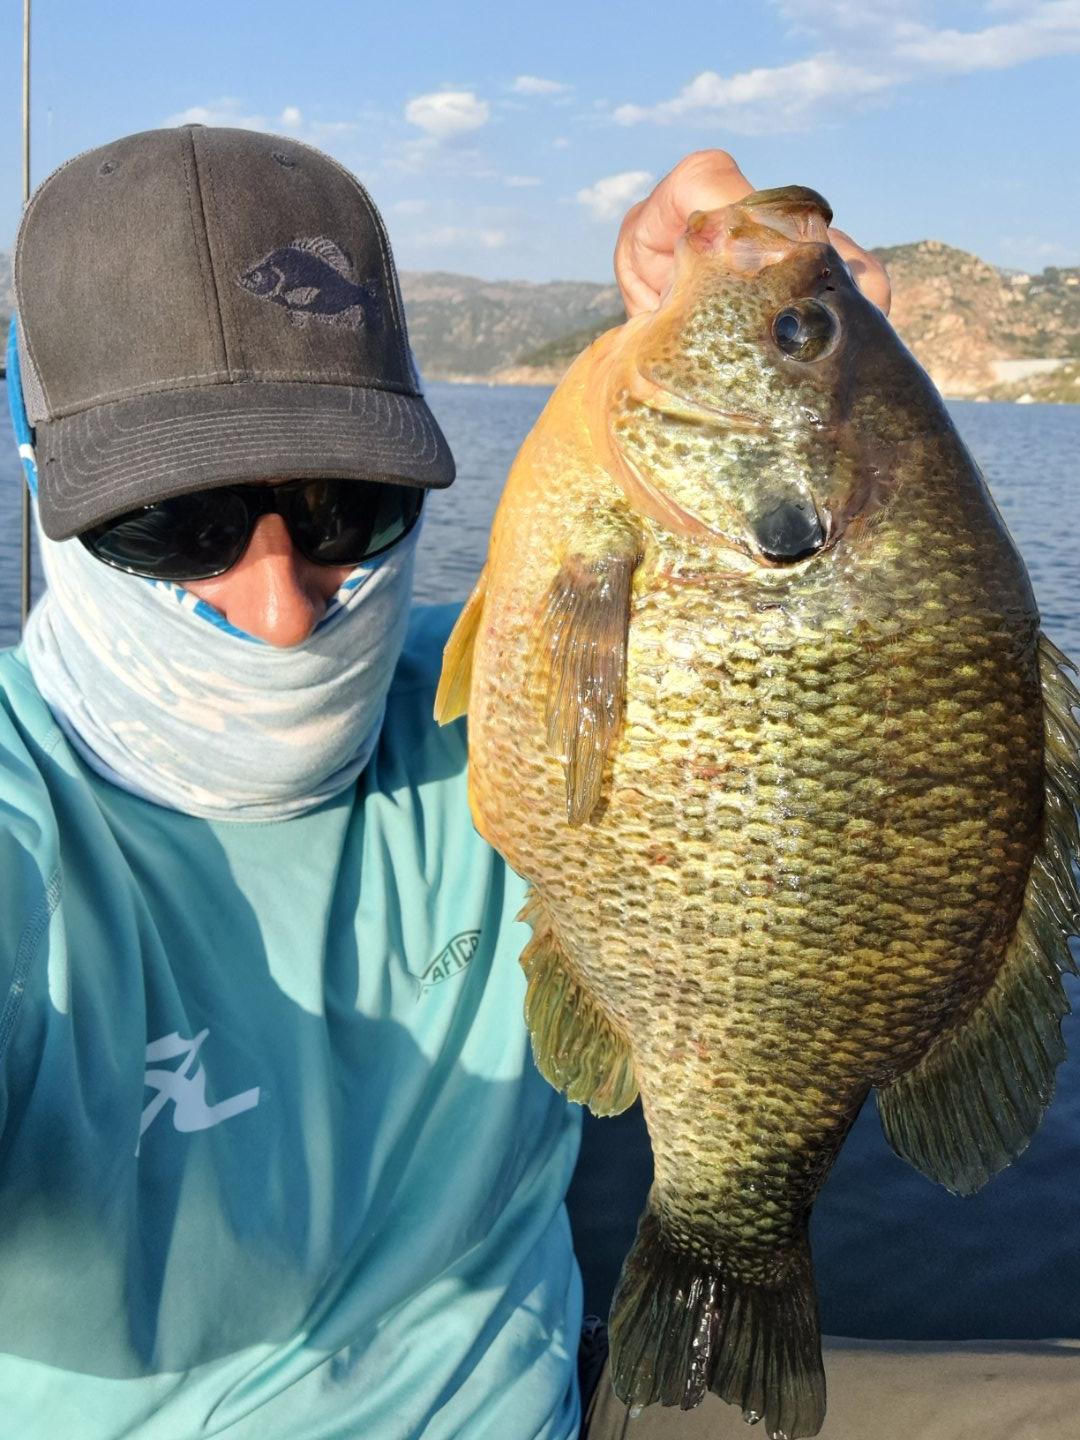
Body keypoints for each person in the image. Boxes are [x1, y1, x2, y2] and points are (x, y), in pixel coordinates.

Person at [0, 125, 903, 1440]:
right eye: (178, 523)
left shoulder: (535, 707)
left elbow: (788, 694)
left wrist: (802, 387)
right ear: (42, 489)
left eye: (341, 506)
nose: (283, 610)